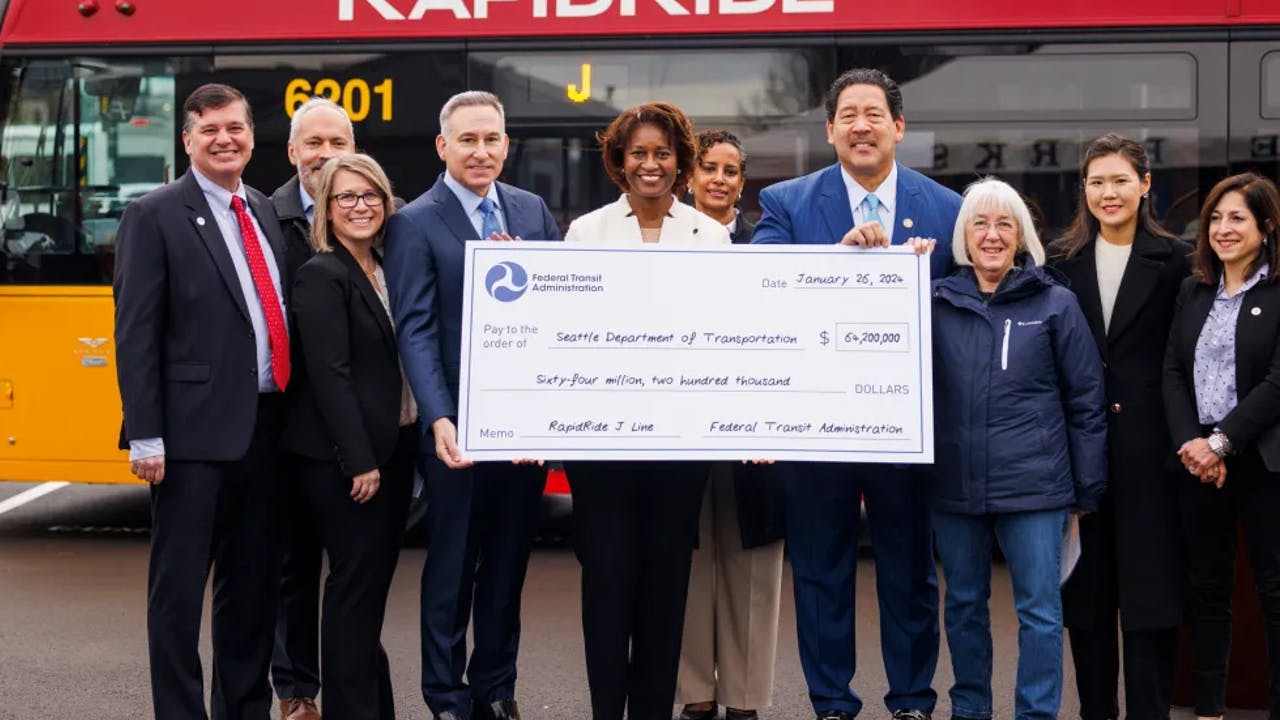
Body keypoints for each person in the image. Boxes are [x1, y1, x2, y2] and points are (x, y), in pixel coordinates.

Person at [750, 67, 959, 720]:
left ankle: (912, 702)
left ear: (898, 128)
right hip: (816, 428)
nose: (861, 125)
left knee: (911, 573)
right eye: (849, 115)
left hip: (908, 429)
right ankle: (832, 703)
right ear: (830, 130)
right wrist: (833, 263)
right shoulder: (786, 202)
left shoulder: (950, 210)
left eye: (874, 114)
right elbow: (759, 287)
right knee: (821, 574)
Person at [113, 82, 289, 720]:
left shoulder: (264, 208)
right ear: (187, 140)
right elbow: (136, 333)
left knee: (251, 594)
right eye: (209, 129)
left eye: (235, 127)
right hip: (189, 440)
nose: (225, 139)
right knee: (178, 597)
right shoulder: (153, 214)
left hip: (266, 432)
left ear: (250, 134)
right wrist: (146, 432)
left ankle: (242, 710)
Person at [384, 90, 560, 720]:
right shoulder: (415, 221)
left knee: (509, 564)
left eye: (491, 139)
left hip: (522, 427)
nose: (481, 151)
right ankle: (446, 694)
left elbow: (559, 312)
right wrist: (439, 418)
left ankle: (496, 689)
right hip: (457, 426)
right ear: (443, 146)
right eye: (468, 140)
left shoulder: (532, 210)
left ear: (506, 143)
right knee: (454, 565)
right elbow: (416, 328)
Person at [562, 101, 726, 720]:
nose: (650, 164)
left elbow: (729, 330)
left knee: (665, 590)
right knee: (606, 585)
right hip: (603, 451)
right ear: (619, 161)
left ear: (679, 160)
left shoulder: (711, 236)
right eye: (638, 153)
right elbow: (562, 333)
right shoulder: (586, 232)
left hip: (680, 452)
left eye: (662, 153)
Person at [929, 177, 1107, 720]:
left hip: (1037, 489)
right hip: (954, 486)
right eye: (979, 223)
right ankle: (971, 709)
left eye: (1004, 223)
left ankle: (1035, 714)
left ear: (1021, 234)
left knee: (1040, 612)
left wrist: (1085, 487)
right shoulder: (934, 302)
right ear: (963, 235)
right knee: (962, 608)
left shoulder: (1056, 304)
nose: (991, 234)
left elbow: (1086, 401)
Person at [1048, 134, 1191, 720]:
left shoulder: (1181, 260)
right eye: (1097, 182)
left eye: (1120, 180)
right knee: (1087, 604)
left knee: (1149, 603)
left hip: (1153, 456)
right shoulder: (1061, 263)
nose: (1109, 193)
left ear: (1145, 185)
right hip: (1080, 455)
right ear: (1084, 189)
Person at [280, 153, 417, 720]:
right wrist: (358, 461)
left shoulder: (383, 266)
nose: (360, 207)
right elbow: (328, 375)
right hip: (346, 464)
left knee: (365, 595)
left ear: (386, 204)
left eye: (370, 197)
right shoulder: (321, 273)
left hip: (392, 448)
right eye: (346, 198)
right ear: (327, 211)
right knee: (353, 594)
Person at [1162, 172, 1280, 720]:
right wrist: (1194, 443)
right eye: (1215, 217)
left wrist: (1222, 443)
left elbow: (1277, 383)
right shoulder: (1194, 289)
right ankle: (1209, 709)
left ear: (1267, 226)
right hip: (1198, 463)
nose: (1222, 228)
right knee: (1207, 589)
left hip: (1258, 458)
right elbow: (1171, 372)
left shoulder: (1278, 291)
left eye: (1237, 217)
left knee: (1274, 591)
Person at [675, 128, 784, 720]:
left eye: (731, 170)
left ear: (743, 182)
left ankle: (744, 697)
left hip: (754, 434)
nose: (719, 179)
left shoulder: (767, 246)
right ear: (690, 176)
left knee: (753, 564)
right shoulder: (660, 241)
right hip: (679, 430)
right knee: (687, 558)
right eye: (708, 168)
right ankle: (696, 692)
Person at [270, 95, 356, 720]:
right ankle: (296, 690)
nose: (326, 155)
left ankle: (353, 688)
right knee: (291, 567)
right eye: (314, 144)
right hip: (286, 428)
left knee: (357, 574)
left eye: (338, 143)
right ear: (293, 151)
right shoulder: (261, 217)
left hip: (359, 426)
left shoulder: (383, 217)